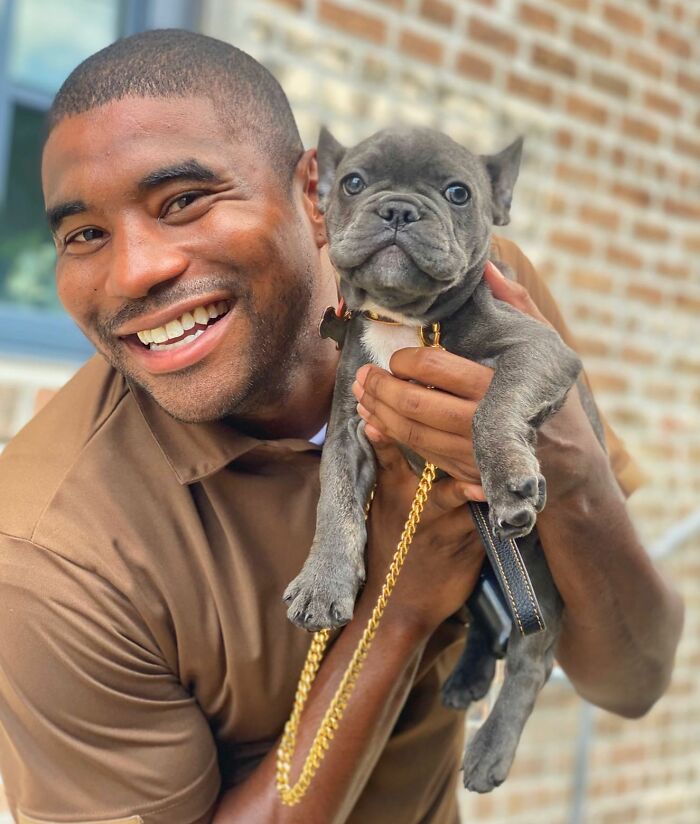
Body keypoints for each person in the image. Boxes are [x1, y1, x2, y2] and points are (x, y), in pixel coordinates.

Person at [0, 29, 683, 824]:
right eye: (84, 235)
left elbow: (632, 676)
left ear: (314, 196)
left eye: (184, 201)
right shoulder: (49, 561)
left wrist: (566, 466)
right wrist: (402, 598)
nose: (135, 269)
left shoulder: (474, 290)